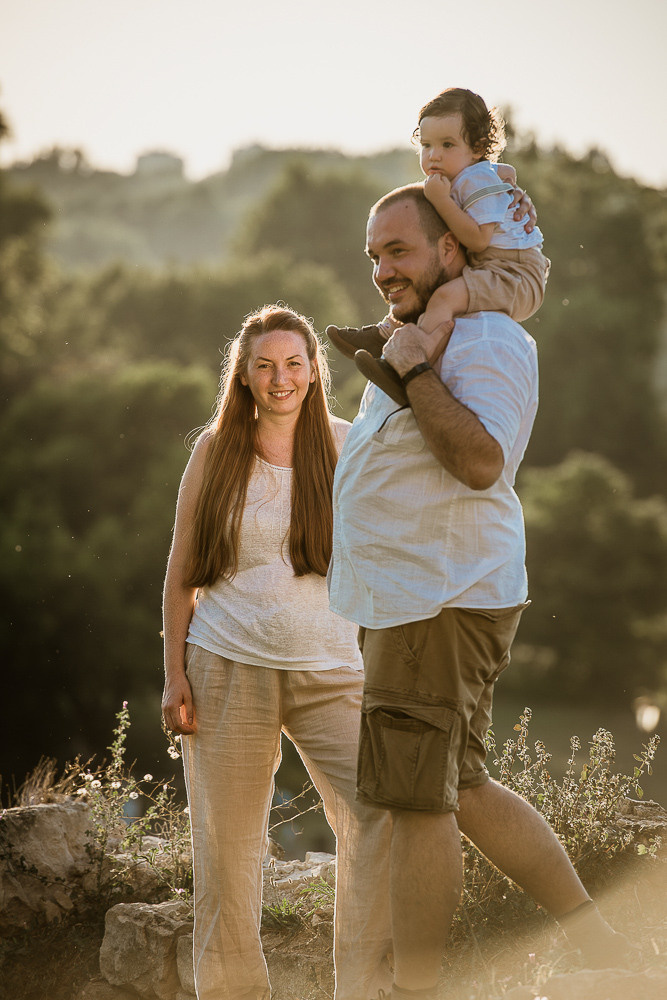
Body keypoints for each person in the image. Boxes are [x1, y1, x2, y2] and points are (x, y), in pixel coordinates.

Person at [328, 186, 633, 1000]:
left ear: (451, 253)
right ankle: (600, 944)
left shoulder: (487, 338)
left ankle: (415, 992)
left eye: (399, 251)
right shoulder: (427, 330)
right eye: (374, 256)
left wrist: (415, 367)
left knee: (417, 803)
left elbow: (479, 460)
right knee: (459, 787)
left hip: (437, 599)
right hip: (423, 595)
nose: (382, 269)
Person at [161, 304, 392, 1000]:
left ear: (315, 371)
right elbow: (180, 572)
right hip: (226, 664)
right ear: (244, 376)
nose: (280, 378)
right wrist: (174, 675)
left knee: (378, 817)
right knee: (227, 858)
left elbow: (388, 553)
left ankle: (364, 987)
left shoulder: (349, 444)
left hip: (332, 670)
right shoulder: (216, 449)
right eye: (264, 365)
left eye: (293, 363)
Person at [327, 88, 549, 408]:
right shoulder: (470, 176)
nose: (434, 156)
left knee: (444, 295)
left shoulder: (474, 181)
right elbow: (507, 172)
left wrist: (442, 200)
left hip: (515, 273)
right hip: (498, 266)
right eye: (427, 145)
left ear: (477, 148)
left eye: (447, 145)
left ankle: (412, 365)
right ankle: (385, 334)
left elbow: (477, 240)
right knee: (429, 279)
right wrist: (511, 187)